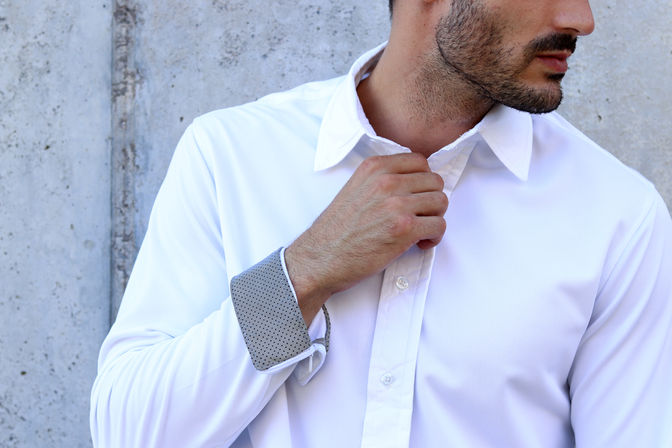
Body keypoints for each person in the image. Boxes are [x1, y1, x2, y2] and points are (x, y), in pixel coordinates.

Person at [90, 0, 672, 446]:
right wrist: (304, 274)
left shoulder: (617, 215)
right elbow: (129, 433)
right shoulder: (231, 157)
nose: (581, 19)